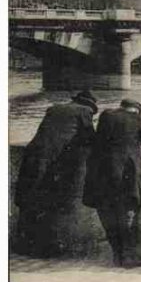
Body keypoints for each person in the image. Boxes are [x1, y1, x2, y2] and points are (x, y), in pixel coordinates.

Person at [82, 99, 141, 268]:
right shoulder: (136, 119)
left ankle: (117, 256)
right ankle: (128, 258)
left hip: (99, 173)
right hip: (123, 175)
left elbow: (115, 139)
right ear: (137, 111)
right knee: (126, 215)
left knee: (107, 215)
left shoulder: (106, 116)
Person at [14, 90, 98, 257]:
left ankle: (22, 245)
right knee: (45, 203)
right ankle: (42, 249)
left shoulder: (54, 108)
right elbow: (89, 138)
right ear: (90, 105)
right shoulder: (84, 111)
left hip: (31, 155)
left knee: (27, 200)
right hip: (49, 161)